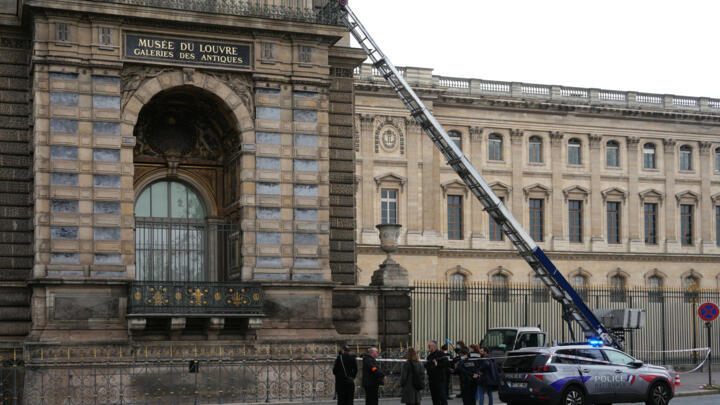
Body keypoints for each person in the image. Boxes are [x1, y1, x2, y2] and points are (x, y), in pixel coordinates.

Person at [425, 340, 448, 405]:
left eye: (429, 346)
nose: (428, 347)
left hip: (440, 379)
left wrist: (437, 365)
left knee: (442, 398)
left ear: (434, 346)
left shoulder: (440, 354)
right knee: (434, 398)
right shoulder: (429, 356)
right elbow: (427, 366)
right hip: (432, 380)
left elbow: (445, 363)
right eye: (428, 346)